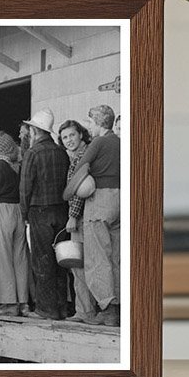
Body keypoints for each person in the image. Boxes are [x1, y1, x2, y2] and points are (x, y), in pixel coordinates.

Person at [67, 104, 121, 326]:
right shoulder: (120, 142)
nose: (88, 126)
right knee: (116, 257)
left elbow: (81, 167)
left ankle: (107, 308)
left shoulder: (99, 142)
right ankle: (118, 307)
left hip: (98, 200)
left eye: (89, 122)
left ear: (98, 122)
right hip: (119, 198)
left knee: (97, 257)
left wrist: (69, 192)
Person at [19, 108, 70, 319]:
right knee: (60, 260)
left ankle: (45, 309)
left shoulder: (32, 153)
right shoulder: (61, 151)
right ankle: (62, 307)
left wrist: (24, 213)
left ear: (35, 130)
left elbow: (25, 188)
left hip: (39, 212)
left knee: (42, 260)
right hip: (61, 211)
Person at [0, 130, 29, 316]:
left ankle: (9, 303)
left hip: (0, 211)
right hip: (18, 210)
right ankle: (23, 302)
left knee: (2, 258)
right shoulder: (17, 167)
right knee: (20, 258)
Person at [58, 119, 98, 323]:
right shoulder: (79, 155)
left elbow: (79, 191)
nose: (69, 140)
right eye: (65, 137)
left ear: (81, 135)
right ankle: (88, 309)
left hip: (81, 216)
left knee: (79, 263)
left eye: (72, 135)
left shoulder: (82, 157)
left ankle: (85, 310)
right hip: (87, 214)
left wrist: (73, 216)